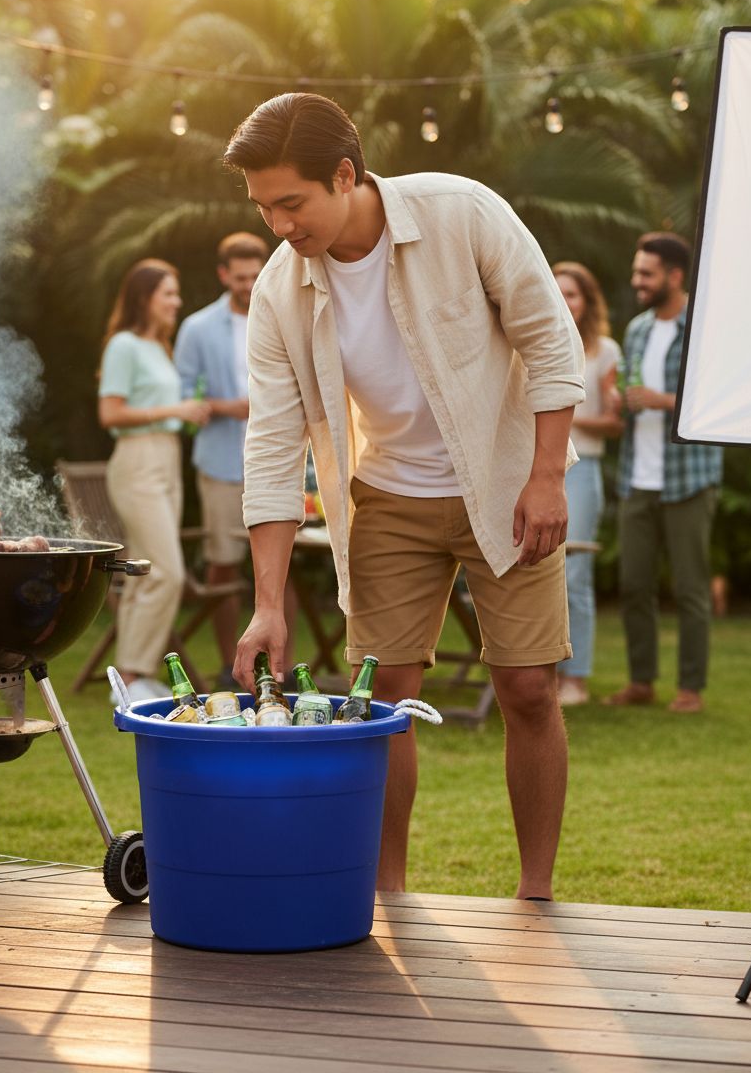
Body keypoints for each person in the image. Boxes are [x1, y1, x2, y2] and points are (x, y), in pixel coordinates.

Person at [226, 92, 586, 899]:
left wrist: (547, 477)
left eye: (292, 202)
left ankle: (535, 897)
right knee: (381, 699)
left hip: (507, 483)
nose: (278, 225)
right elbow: (273, 445)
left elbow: (550, 342)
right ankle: (387, 897)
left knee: (529, 689)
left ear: (344, 175)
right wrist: (268, 605)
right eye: (263, 207)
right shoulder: (280, 291)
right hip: (387, 496)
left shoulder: (463, 212)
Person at [604, 234, 723, 714]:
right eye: (637, 272)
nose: (637, 281)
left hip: (687, 478)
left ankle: (691, 687)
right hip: (638, 476)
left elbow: (715, 402)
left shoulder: (704, 328)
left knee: (690, 589)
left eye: (646, 273)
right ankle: (641, 682)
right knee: (634, 585)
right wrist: (621, 400)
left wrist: (661, 401)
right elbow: (631, 389)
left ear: (675, 276)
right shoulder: (636, 330)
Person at [174, 233, 298, 685]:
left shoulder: (285, 313)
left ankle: (283, 667)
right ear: (224, 275)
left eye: (255, 275)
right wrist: (234, 407)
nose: (249, 284)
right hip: (222, 465)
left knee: (284, 570)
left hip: (281, 464)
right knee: (223, 564)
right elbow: (183, 398)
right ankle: (233, 666)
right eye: (240, 277)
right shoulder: (197, 328)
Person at [98, 259, 210, 702]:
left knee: (145, 572)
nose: (176, 302)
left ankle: (126, 679)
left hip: (166, 456)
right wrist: (175, 410)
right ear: (145, 298)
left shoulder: (159, 347)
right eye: (169, 293)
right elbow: (110, 413)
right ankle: (135, 674)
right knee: (166, 572)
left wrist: (185, 414)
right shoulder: (123, 345)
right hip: (137, 460)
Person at [552, 262, 623, 706]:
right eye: (557, 292)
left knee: (574, 574)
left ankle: (575, 678)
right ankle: (542, 673)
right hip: (534, 468)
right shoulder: (534, 341)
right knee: (537, 572)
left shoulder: (605, 351)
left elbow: (615, 423)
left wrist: (560, 416)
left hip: (582, 470)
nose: (564, 301)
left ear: (587, 302)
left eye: (572, 294)